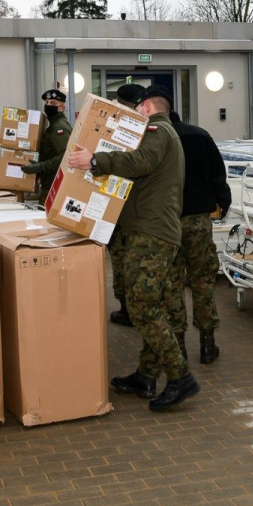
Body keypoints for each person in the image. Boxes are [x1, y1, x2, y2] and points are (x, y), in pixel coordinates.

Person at [68, 85, 199, 411]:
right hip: (157, 232)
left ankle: (180, 376)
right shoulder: (168, 133)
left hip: (150, 235)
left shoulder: (156, 130)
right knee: (156, 305)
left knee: (141, 308)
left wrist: (95, 160)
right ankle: (146, 374)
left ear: (145, 107)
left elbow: (141, 161)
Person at [168, 109, 232, 365]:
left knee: (171, 283)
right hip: (198, 220)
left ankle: (179, 347)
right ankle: (207, 344)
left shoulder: (154, 137)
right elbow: (218, 174)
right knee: (202, 280)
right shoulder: (200, 135)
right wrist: (223, 202)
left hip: (166, 222)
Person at [107, 82, 147, 327]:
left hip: (120, 208)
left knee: (122, 260)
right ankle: (132, 307)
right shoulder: (152, 132)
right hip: (138, 210)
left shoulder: (122, 129)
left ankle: (127, 308)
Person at [20, 89, 72, 192]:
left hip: (54, 186)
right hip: (50, 183)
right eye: (47, 102)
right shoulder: (54, 124)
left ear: (61, 108)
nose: (48, 105)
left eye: (53, 103)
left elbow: (65, 157)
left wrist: (40, 167)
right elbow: (51, 153)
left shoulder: (58, 127)